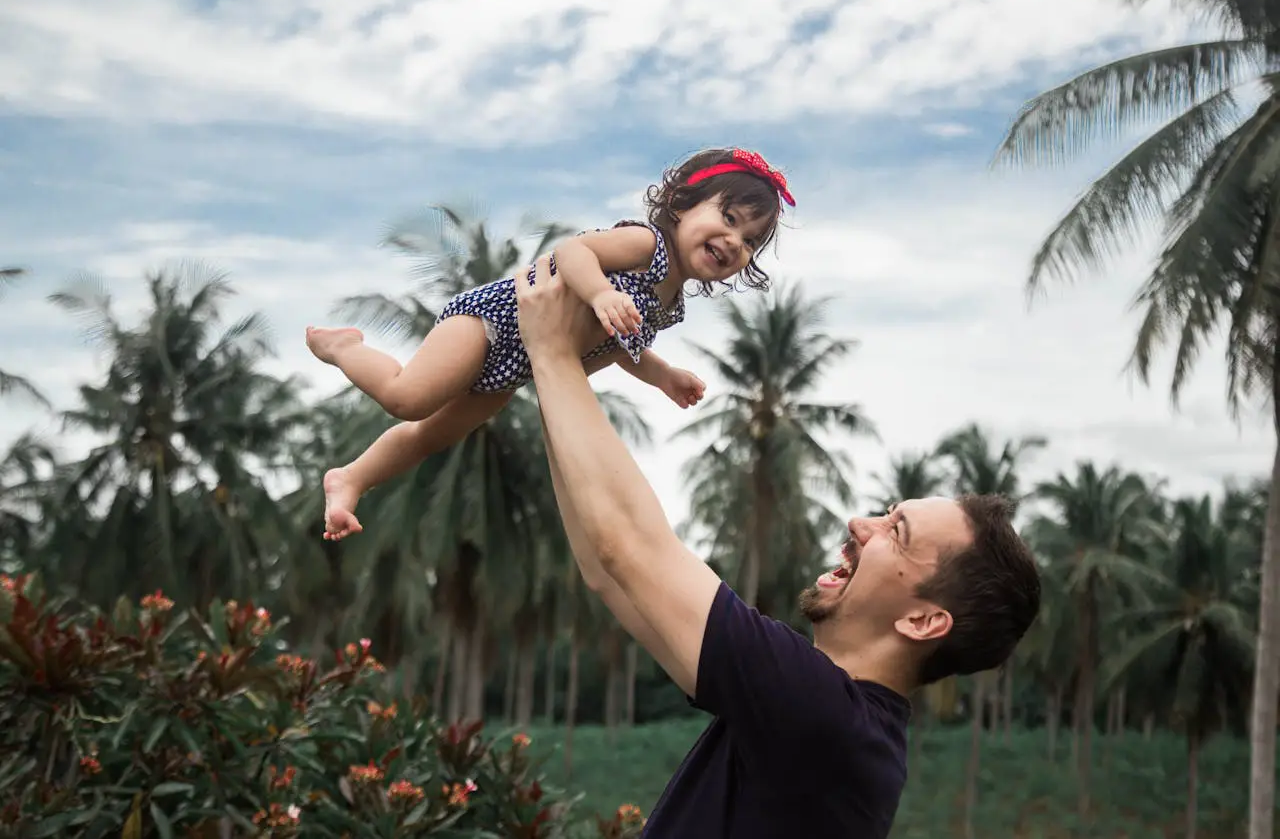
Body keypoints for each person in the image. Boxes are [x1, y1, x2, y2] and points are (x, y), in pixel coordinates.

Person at [511, 258, 1042, 838]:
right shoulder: (838, 728)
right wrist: (556, 373)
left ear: (922, 619)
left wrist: (554, 353)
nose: (861, 524)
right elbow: (607, 572)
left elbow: (629, 547)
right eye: (887, 514)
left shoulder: (826, 719)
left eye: (897, 533)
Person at [303, 147, 795, 541]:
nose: (734, 242)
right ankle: (344, 347)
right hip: (493, 323)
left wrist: (662, 374)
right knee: (408, 399)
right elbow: (573, 251)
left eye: (750, 240)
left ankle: (351, 479)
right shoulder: (647, 247)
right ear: (682, 205)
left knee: (429, 436)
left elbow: (622, 346)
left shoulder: (671, 306)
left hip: (515, 371)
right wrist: (600, 291)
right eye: (728, 218)